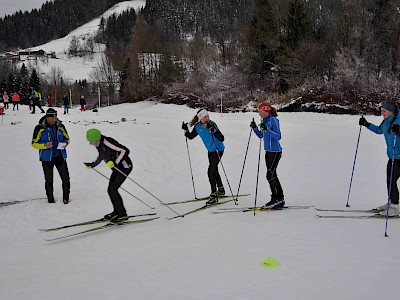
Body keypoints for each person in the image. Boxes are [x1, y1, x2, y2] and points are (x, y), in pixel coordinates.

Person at [359, 101, 400, 217]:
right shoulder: (386, 121)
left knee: (392, 181)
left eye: (384, 111)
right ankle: (392, 203)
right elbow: (379, 130)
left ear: (391, 111)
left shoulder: (398, 120)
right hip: (392, 157)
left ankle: (395, 207)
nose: (382, 113)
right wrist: (366, 124)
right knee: (390, 181)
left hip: (399, 158)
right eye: (381, 111)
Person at [84, 129, 133, 222]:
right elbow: (102, 155)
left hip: (124, 167)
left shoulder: (107, 142)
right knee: (111, 190)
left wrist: (116, 162)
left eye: (91, 141)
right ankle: (117, 211)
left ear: (96, 138)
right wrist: (93, 164)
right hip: (117, 168)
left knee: (113, 190)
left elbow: (125, 150)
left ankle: (122, 214)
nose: (90, 143)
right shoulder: (99, 144)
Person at [182, 109, 225, 205]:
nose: (207, 118)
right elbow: (190, 136)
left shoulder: (212, 124)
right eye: (205, 117)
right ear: (200, 118)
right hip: (210, 150)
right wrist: (185, 129)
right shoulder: (197, 127)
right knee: (214, 170)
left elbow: (222, 138)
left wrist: (213, 130)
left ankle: (214, 194)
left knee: (210, 171)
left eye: (208, 116)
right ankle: (221, 189)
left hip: (218, 150)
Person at [31, 108, 70, 204]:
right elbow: (33, 143)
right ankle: (50, 199)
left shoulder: (60, 126)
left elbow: (67, 138)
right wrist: (45, 145)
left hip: (60, 156)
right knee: (49, 180)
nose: (54, 120)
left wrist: (65, 144)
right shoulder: (39, 128)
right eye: (52, 118)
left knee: (65, 178)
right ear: (47, 117)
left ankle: (66, 198)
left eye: (55, 118)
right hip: (46, 158)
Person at [250, 103, 284, 209]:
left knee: (270, 175)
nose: (259, 114)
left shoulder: (273, 120)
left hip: (275, 151)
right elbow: (261, 135)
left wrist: (267, 130)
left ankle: (276, 199)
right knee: (272, 174)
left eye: (260, 111)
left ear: (266, 111)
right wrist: (255, 128)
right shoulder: (264, 121)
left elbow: (278, 136)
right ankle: (279, 198)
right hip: (268, 151)